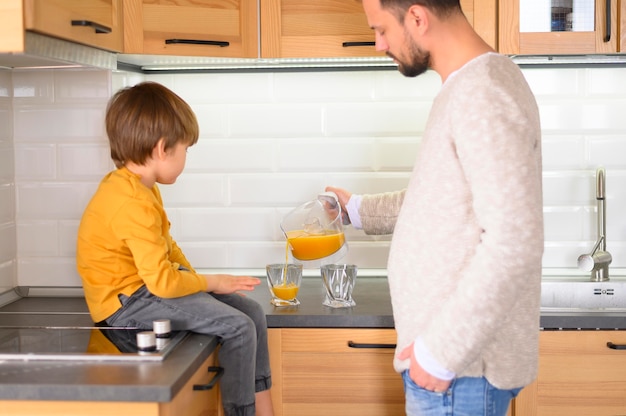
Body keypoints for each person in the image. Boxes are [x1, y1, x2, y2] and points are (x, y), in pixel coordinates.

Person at [326, 1, 544, 415]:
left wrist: (441, 352)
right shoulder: (468, 87)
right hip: (454, 369)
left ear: (417, 18)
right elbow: (440, 201)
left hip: (459, 372)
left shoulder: (482, 92)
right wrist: (356, 210)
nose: (377, 45)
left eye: (382, 30)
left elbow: (516, 240)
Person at [76, 81, 274, 416]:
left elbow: (168, 249)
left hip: (145, 289)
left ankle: (264, 406)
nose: (186, 158)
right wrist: (213, 283)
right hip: (126, 305)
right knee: (238, 326)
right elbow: (163, 284)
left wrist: (199, 283)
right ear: (161, 148)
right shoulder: (130, 201)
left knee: (251, 313)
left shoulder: (140, 187)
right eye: (185, 149)